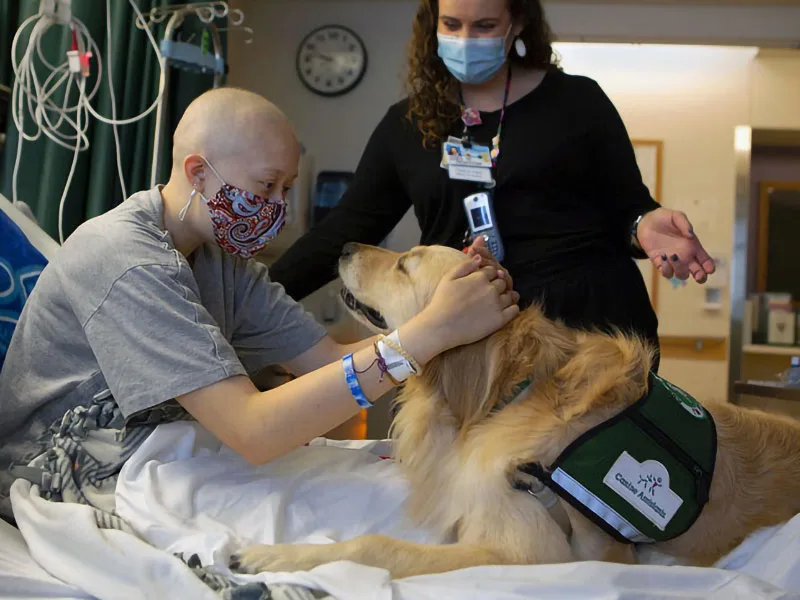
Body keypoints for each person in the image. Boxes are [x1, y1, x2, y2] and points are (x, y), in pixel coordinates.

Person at [0, 88, 518, 522]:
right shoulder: (127, 260)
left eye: (285, 188)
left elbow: (327, 363)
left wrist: (450, 313)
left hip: (163, 454)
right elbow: (253, 431)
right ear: (199, 173)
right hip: (58, 468)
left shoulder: (223, 261)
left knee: (384, 498)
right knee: (366, 515)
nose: (277, 206)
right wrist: (429, 334)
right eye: (265, 185)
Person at [269, 0, 716, 368]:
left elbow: (628, 207)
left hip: (590, 338)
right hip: (472, 349)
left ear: (517, 23)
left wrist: (644, 223)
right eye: (452, 24)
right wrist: (250, 301)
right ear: (433, 24)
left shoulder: (578, 103)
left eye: (484, 26)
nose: (465, 39)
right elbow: (343, 230)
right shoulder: (406, 126)